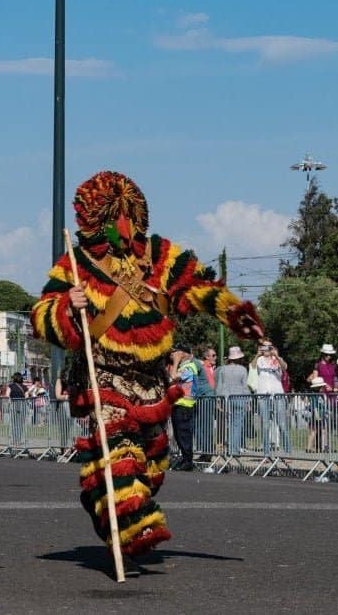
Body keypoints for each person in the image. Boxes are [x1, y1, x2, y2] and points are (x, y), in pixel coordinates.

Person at [31, 170, 262, 562]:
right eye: (112, 216)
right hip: (105, 376)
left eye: (129, 214)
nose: (123, 226)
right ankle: (131, 525)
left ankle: (100, 494)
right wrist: (68, 305)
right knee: (119, 456)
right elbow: (41, 316)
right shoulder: (77, 261)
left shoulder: (161, 253)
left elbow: (197, 286)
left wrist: (232, 311)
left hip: (153, 380)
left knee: (153, 463)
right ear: (94, 220)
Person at [255, 340, 290, 454]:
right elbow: (252, 366)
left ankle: (287, 451)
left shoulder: (277, 360)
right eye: (264, 347)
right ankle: (266, 452)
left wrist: (277, 356)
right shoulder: (259, 360)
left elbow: (284, 368)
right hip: (263, 394)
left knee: (282, 424)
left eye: (268, 347)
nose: (266, 349)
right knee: (265, 424)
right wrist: (257, 354)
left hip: (277, 393)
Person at [168, 345, 199, 471]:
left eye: (176, 352)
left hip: (185, 406)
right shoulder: (184, 367)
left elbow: (174, 377)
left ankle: (188, 460)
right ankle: (185, 459)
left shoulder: (189, 367)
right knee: (179, 434)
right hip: (179, 405)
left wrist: (175, 361)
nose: (174, 354)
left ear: (184, 354)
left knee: (183, 434)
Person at [217, 345, 250, 455]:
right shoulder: (243, 369)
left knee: (230, 424)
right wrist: (248, 401)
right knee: (237, 424)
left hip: (227, 398)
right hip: (239, 398)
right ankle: (234, 449)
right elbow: (245, 386)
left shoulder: (223, 369)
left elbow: (220, 386)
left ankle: (231, 447)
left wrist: (218, 400)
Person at [6, 373, 28, 446]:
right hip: (22, 405)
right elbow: (27, 397)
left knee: (14, 423)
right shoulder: (25, 387)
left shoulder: (10, 386)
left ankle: (14, 440)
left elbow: (7, 396)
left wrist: (9, 403)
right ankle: (18, 440)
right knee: (20, 424)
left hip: (13, 405)